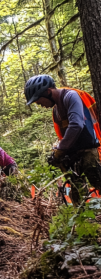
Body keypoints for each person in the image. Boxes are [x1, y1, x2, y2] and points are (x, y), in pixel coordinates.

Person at [24, 74, 101, 203]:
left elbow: (76, 125)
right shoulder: (56, 110)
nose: (40, 105)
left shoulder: (70, 96)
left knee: (96, 179)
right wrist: (57, 153)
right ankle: (81, 220)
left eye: (39, 101)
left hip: (88, 149)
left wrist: (60, 149)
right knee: (76, 191)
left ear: (48, 92)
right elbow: (65, 135)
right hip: (72, 154)